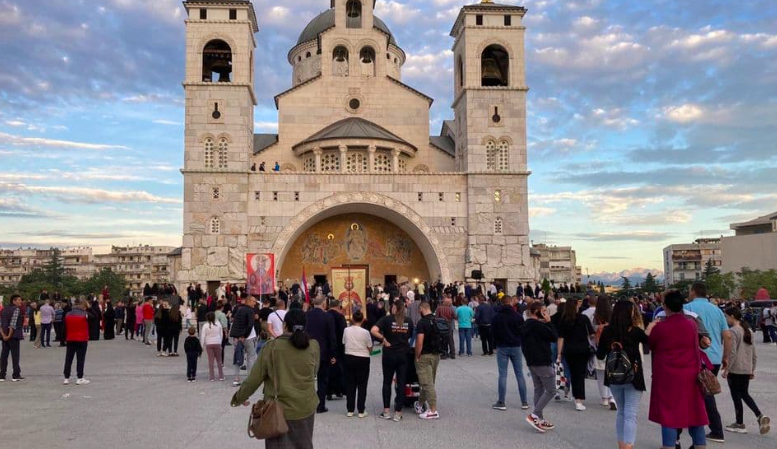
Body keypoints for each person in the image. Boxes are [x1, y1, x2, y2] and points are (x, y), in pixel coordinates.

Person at [231, 309, 320, 449]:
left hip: (278, 410)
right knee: (304, 444)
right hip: (305, 406)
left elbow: (254, 379)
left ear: (285, 325)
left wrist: (239, 397)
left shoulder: (272, 347)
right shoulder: (313, 345)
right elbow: (314, 371)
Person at [647, 290, 708, 449]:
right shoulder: (691, 325)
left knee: (669, 415)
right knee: (694, 411)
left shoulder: (660, 328)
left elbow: (651, 345)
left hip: (667, 376)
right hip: (690, 374)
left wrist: (649, 329)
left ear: (665, 306)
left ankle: (669, 445)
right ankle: (700, 444)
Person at [597, 300, 649, 449]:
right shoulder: (636, 331)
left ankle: (622, 445)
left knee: (621, 412)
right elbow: (651, 344)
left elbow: (600, 355)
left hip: (614, 376)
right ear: (630, 313)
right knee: (630, 414)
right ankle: (628, 446)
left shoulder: (607, 331)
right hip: (633, 376)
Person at [684, 282, 731, 443]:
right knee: (704, 390)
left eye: (690, 290)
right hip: (716, 358)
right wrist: (726, 357)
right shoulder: (717, 310)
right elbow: (727, 335)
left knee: (705, 393)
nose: (689, 293)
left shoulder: (688, 309)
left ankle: (716, 429)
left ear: (694, 292)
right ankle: (694, 421)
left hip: (698, 357)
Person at [722, 306, 770, 435]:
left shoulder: (733, 331)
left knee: (736, 396)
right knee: (744, 394)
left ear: (732, 316)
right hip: (746, 367)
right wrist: (752, 369)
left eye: (726, 316)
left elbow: (732, 353)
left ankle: (739, 423)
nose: (726, 319)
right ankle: (759, 416)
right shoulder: (747, 330)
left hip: (736, 368)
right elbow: (753, 352)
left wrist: (727, 368)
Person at [371, 299, 413, 421]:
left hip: (389, 354)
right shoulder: (408, 321)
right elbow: (409, 336)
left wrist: (383, 339)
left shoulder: (386, 319)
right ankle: (398, 412)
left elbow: (373, 330)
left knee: (387, 382)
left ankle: (386, 411)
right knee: (401, 383)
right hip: (403, 354)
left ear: (395, 308)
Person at [521, 301, 558, 433]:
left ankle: (539, 419)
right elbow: (554, 337)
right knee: (551, 390)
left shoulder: (526, 324)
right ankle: (535, 415)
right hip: (542, 361)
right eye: (543, 311)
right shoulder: (537, 325)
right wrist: (549, 322)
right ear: (537, 312)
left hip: (532, 362)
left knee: (539, 389)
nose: (545, 313)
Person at [491, 295, 529, 411]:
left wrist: (494, 346)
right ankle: (524, 401)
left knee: (503, 374)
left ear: (502, 303)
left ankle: (501, 401)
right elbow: (522, 332)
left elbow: (493, 332)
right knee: (519, 374)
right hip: (516, 346)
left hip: (502, 346)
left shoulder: (497, 317)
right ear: (511, 302)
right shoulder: (517, 316)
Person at [556, 298, 594, 411]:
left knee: (573, 374)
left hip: (569, 350)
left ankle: (575, 396)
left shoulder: (564, 319)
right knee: (580, 375)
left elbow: (561, 338)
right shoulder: (583, 318)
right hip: (582, 350)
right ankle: (579, 400)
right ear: (577, 305)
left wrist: (559, 353)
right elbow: (591, 334)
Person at [305, 296, 336, 413]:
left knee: (307, 379)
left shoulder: (306, 315)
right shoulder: (328, 317)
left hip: (308, 351)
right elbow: (332, 337)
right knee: (323, 380)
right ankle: (320, 405)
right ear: (324, 304)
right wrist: (333, 354)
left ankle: (307, 404)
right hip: (324, 352)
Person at [414, 301, 441, 420]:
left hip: (424, 356)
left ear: (421, 309)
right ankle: (419, 404)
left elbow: (419, 342)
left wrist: (417, 355)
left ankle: (433, 410)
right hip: (436, 355)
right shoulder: (437, 320)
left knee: (426, 384)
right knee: (429, 382)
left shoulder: (422, 322)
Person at [342, 310, 372, 417]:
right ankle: (361, 410)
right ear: (362, 320)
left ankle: (350, 409)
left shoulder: (346, 330)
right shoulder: (366, 332)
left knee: (350, 384)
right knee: (362, 385)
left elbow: (344, 343)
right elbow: (370, 348)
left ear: (352, 319)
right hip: (363, 358)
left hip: (349, 356)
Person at [591, 296, 616, 409]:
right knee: (611, 374)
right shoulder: (613, 315)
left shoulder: (596, 316)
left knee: (600, 375)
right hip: (611, 347)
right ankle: (612, 397)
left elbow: (592, 330)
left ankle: (604, 398)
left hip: (599, 347)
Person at [230, 296, 258, 386]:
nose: (255, 303)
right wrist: (244, 335)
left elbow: (235, 323)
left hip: (238, 337)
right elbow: (250, 325)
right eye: (254, 301)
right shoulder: (250, 311)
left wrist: (237, 336)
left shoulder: (239, 309)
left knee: (238, 356)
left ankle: (236, 378)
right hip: (248, 337)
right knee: (250, 357)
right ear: (249, 301)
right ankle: (249, 378)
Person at [63, 298, 90, 385]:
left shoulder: (67, 314)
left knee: (68, 359)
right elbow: (96, 316)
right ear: (82, 305)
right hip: (81, 339)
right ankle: (80, 378)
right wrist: (88, 307)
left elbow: (64, 327)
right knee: (80, 359)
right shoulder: (85, 314)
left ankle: (66, 378)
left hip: (70, 338)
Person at [0, 294, 25, 382]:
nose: (20, 301)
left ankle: (2, 375)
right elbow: (13, 325)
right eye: (18, 300)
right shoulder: (16, 309)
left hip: (4, 335)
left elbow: (1, 324)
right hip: (13, 336)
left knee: (4, 355)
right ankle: (15, 375)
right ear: (13, 301)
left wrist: (3, 335)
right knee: (15, 355)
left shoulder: (3, 310)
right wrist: (9, 335)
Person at [327, 299, 347, 401]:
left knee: (328, 368)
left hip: (327, 346)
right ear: (338, 306)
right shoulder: (340, 317)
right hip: (339, 346)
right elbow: (344, 332)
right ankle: (339, 390)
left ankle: (328, 391)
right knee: (339, 368)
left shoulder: (325, 315)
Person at [201, 312, 225, 382]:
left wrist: (202, 345)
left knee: (211, 361)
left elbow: (203, 336)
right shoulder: (218, 324)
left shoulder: (205, 325)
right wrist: (220, 342)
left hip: (209, 343)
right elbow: (221, 334)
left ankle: (212, 377)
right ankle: (221, 376)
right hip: (217, 342)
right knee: (219, 361)